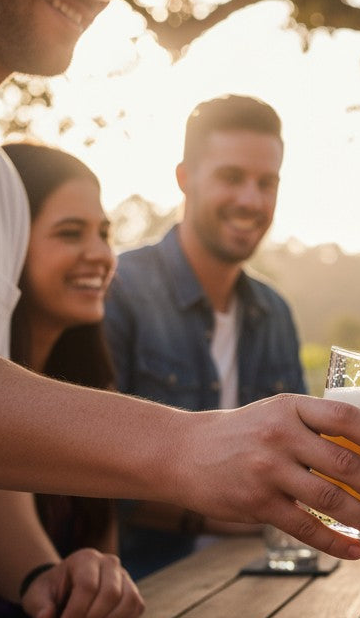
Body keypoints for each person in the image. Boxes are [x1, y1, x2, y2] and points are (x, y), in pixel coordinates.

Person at [0, 0, 360, 618]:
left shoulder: (2, 190)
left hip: (226, 609)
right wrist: (188, 449)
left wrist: (38, 574)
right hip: (167, 604)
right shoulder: (122, 289)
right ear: (185, 179)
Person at [104, 95, 308, 575]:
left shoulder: (275, 313)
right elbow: (91, 468)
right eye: (231, 177)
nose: (251, 201)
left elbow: (299, 460)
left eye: (266, 183)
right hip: (148, 583)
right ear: (185, 178)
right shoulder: (118, 290)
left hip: (264, 580)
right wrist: (219, 518)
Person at [0, 141, 136, 618]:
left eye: (104, 233)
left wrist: (102, 583)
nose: (100, 254)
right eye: (70, 233)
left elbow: (104, 558)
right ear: (9, 242)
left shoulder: (91, 384)